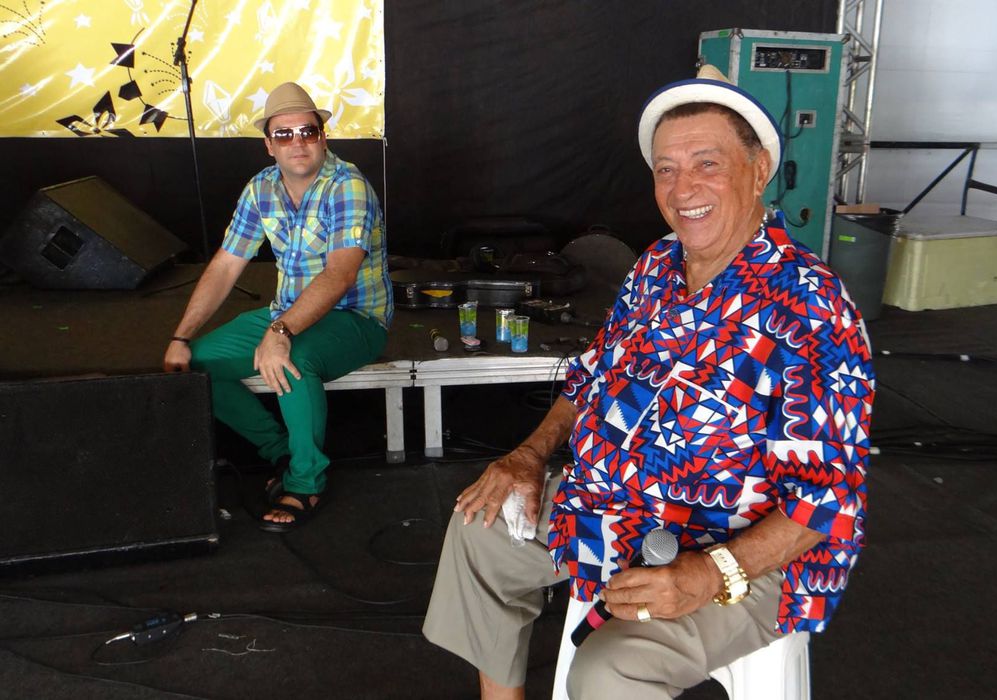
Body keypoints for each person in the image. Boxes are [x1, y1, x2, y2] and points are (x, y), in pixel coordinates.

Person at [423, 65, 874, 698]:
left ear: (758, 170)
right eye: (666, 168)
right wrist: (527, 456)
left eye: (707, 163)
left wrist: (708, 573)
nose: (683, 186)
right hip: (615, 512)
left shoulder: (811, 306)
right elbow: (591, 380)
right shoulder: (656, 268)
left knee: (611, 671)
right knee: (482, 527)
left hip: (744, 552)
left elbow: (825, 500)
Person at [163, 82, 391, 532]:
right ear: (269, 145)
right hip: (285, 313)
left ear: (323, 136)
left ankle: (306, 481)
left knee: (294, 360)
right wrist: (180, 337)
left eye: (307, 131)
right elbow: (226, 266)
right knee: (195, 366)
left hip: (357, 319)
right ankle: (281, 451)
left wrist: (280, 334)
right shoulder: (261, 188)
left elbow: (339, 274)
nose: (297, 142)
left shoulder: (348, 186)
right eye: (283, 134)